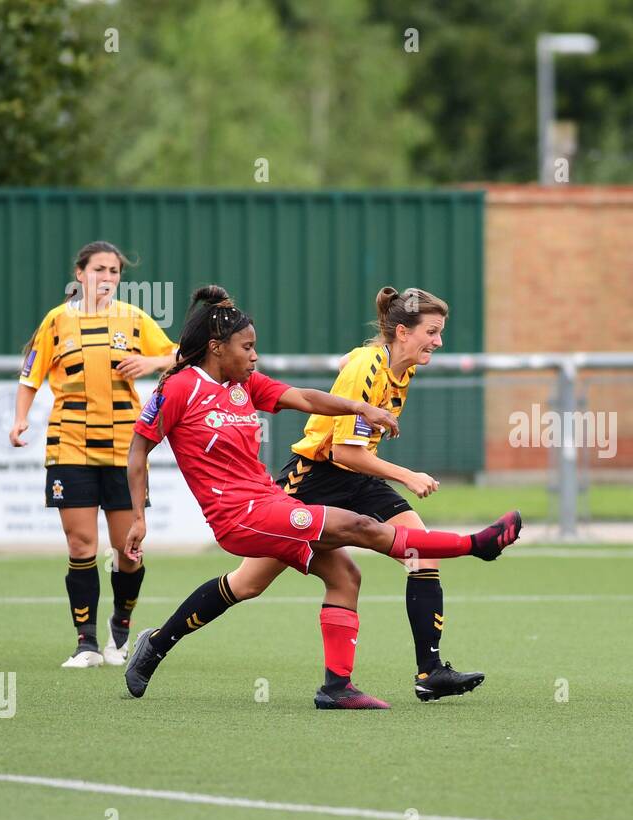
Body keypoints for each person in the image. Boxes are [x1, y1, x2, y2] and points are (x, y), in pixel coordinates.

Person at [123, 285, 522, 709]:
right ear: (217, 348)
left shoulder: (244, 385)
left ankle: (335, 687)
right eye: (248, 346)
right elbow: (138, 450)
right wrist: (138, 518)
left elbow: (306, 398)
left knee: (339, 576)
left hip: (272, 502)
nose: (255, 356)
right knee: (359, 528)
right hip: (245, 511)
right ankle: (475, 545)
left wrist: (359, 408)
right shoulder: (180, 387)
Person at [246, 286, 479, 701]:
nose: (439, 341)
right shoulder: (370, 366)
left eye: (440, 332)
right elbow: (343, 451)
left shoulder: (401, 367)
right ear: (403, 332)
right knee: (248, 584)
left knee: (421, 553)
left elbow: (355, 445)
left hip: (356, 478)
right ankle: (157, 642)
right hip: (315, 477)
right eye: (432, 331)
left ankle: (430, 673)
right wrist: (407, 475)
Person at [9, 240, 176, 669]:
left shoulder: (135, 319)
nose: (106, 277)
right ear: (80, 273)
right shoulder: (56, 322)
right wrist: (20, 419)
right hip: (70, 447)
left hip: (125, 448)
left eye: (114, 271)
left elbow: (178, 354)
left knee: (128, 550)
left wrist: (150, 363)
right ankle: (86, 643)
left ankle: (120, 630)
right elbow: (30, 375)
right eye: (99, 269)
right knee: (81, 544)